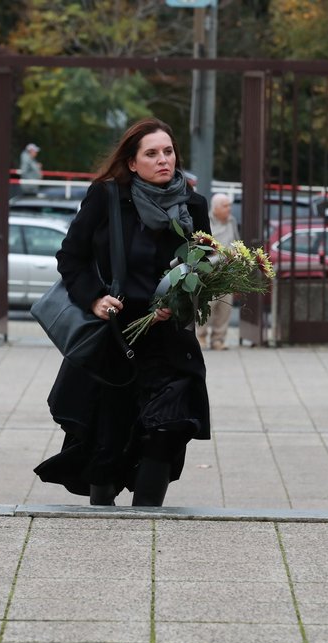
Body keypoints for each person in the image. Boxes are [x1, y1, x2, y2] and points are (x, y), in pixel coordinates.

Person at [34, 117, 212, 507]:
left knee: (167, 428)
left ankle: (147, 520)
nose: (163, 160)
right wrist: (94, 298)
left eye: (168, 152)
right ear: (132, 162)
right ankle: (104, 521)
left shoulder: (192, 205)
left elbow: (203, 267)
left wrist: (179, 302)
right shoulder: (108, 197)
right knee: (107, 437)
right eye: (152, 153)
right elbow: (71, 257)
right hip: (114, 337)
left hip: (168, 341)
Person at [196, 193, 239, 350]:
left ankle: (218, 339)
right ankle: (200, 336)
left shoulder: (232, 221)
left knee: (225, 307)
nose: (229, 209)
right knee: (206, 305)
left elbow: (236, 239)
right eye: (225, 206)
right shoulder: (206, 220)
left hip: (227, 271)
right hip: (209, 271)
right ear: (216, 208)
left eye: (229, 205)